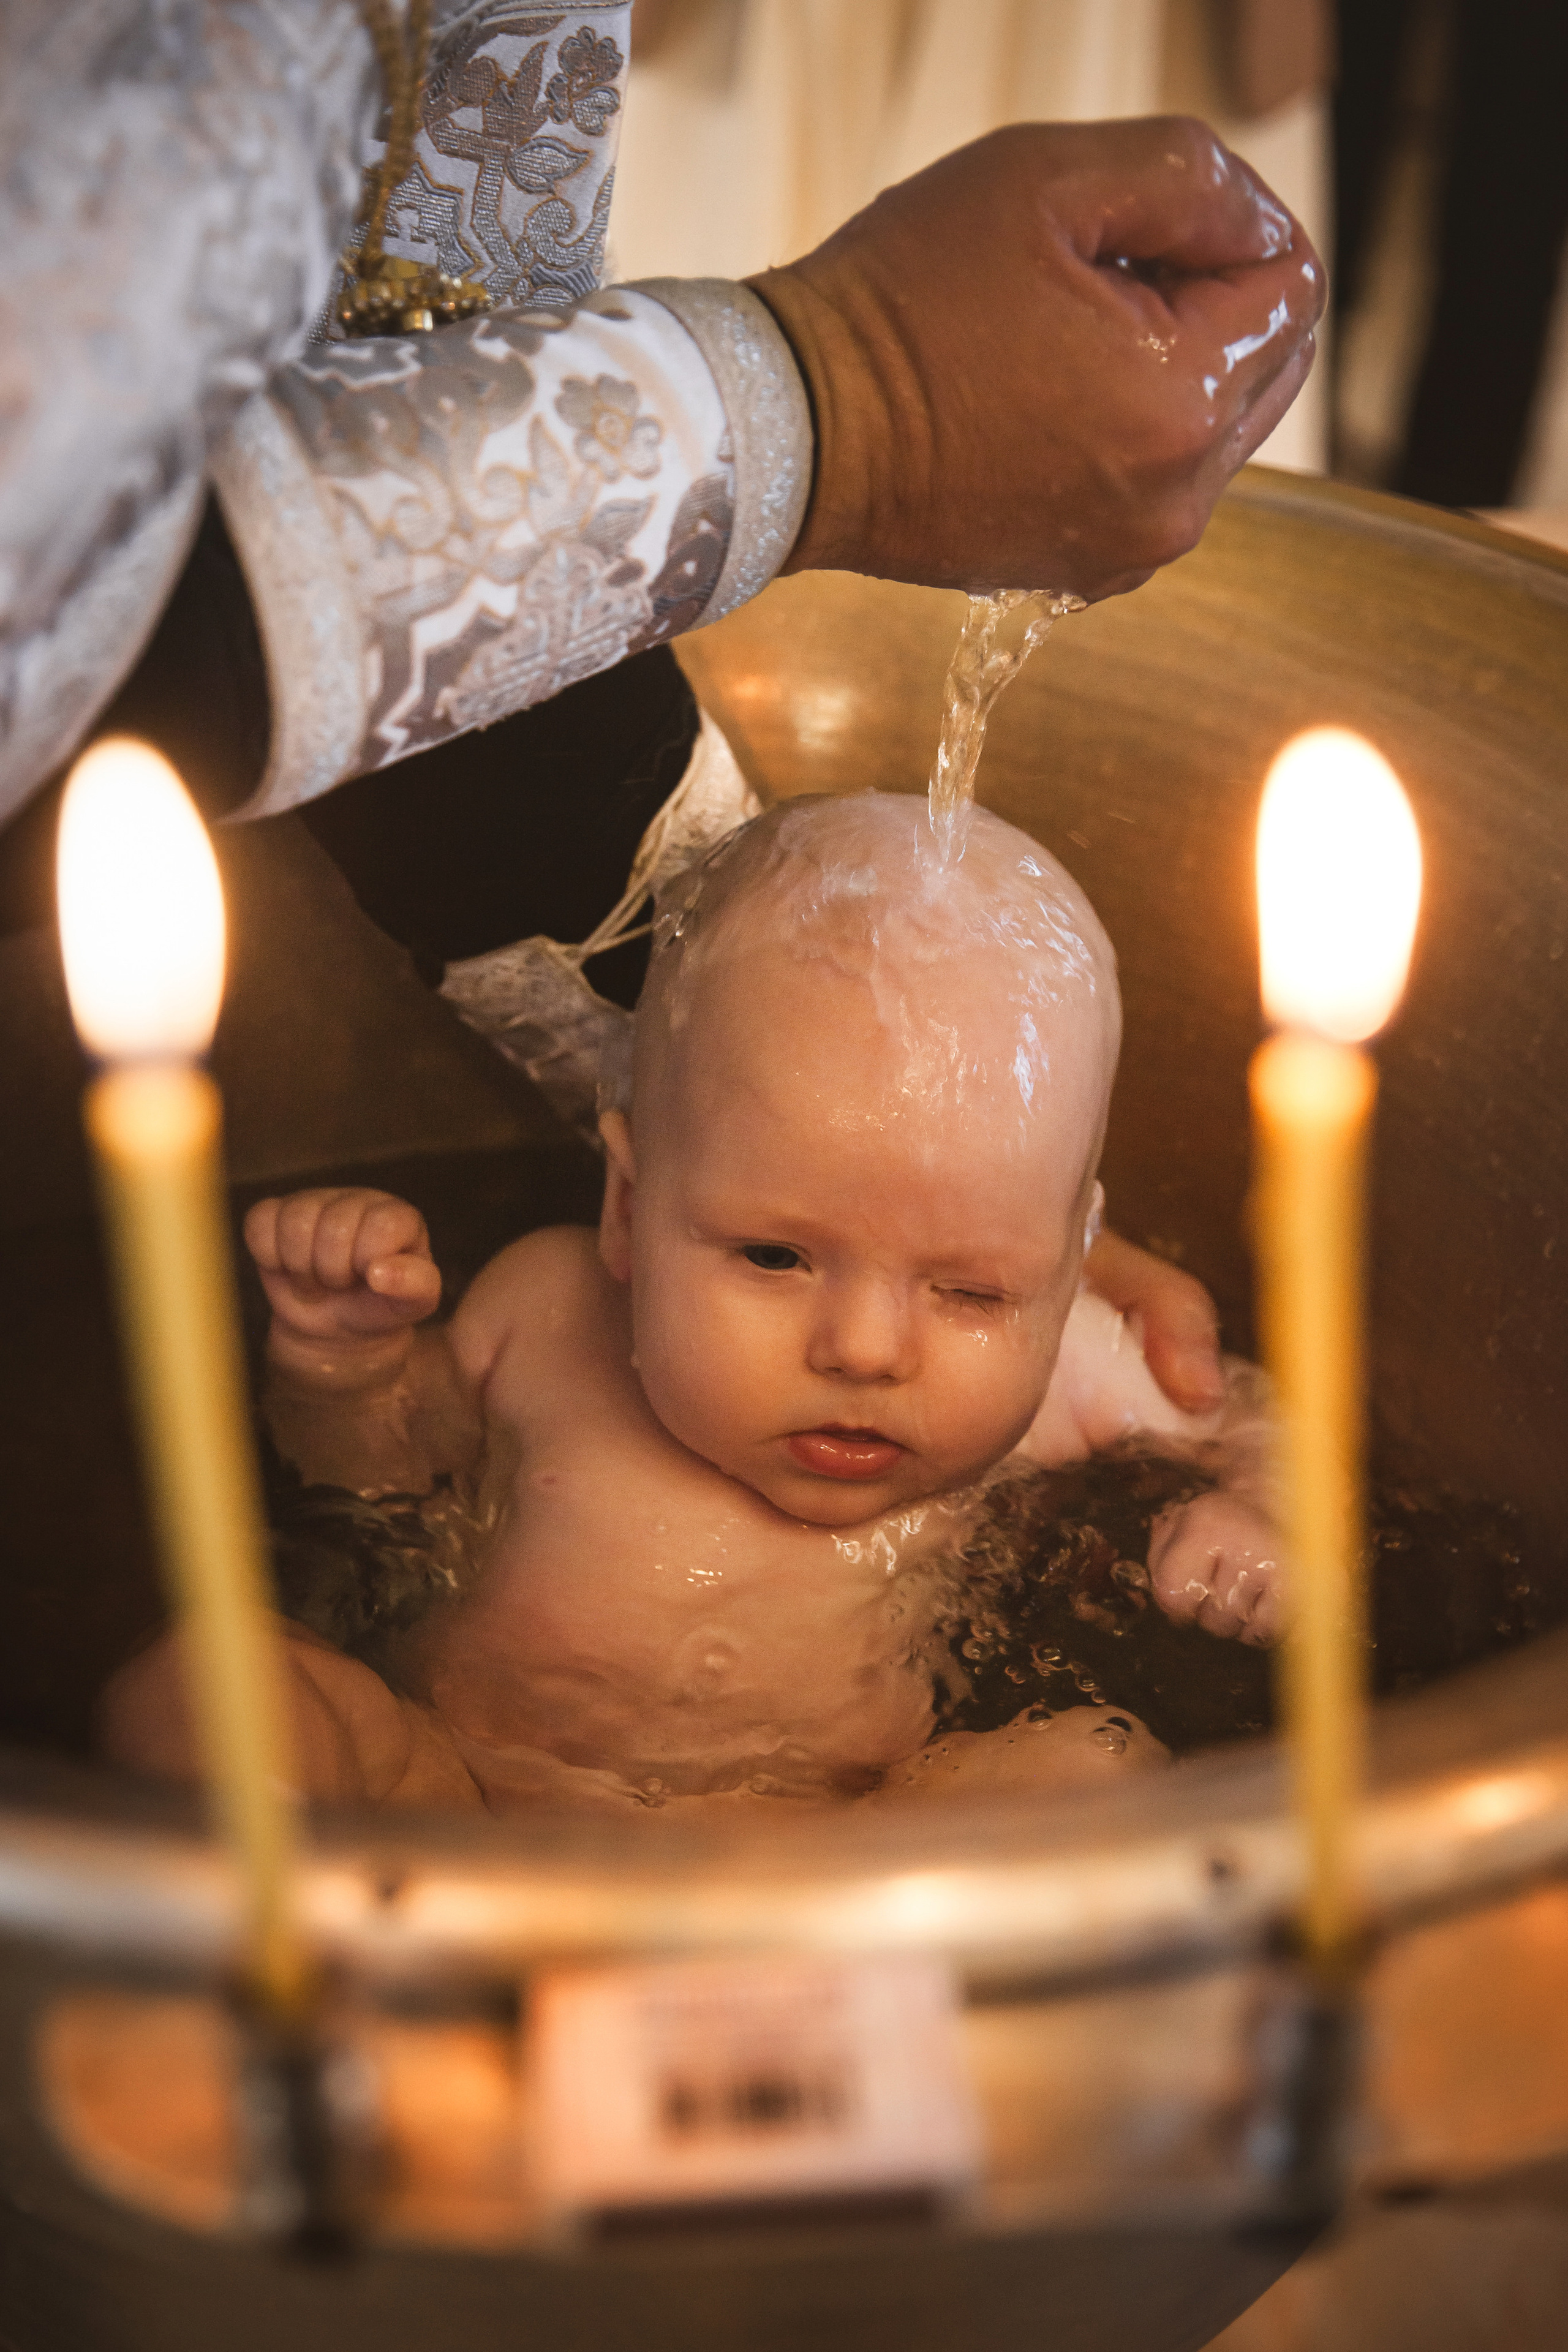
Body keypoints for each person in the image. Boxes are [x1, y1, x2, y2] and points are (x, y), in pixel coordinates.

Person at [101, 793, 1280, 1814]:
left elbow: (1255, 1417)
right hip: (446, 1808)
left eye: (971, 1288)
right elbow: (382, 1483)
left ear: (1072, 1258)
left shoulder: (1058, 1367)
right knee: (210, 1684)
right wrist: (346, 1363)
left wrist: (1270, 1521)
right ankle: (305, 1946)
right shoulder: (547, 1303)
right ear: (629, 1206)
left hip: (819, 1855)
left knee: (1088, 1772)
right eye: (774, 1257)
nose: (866, 1348)